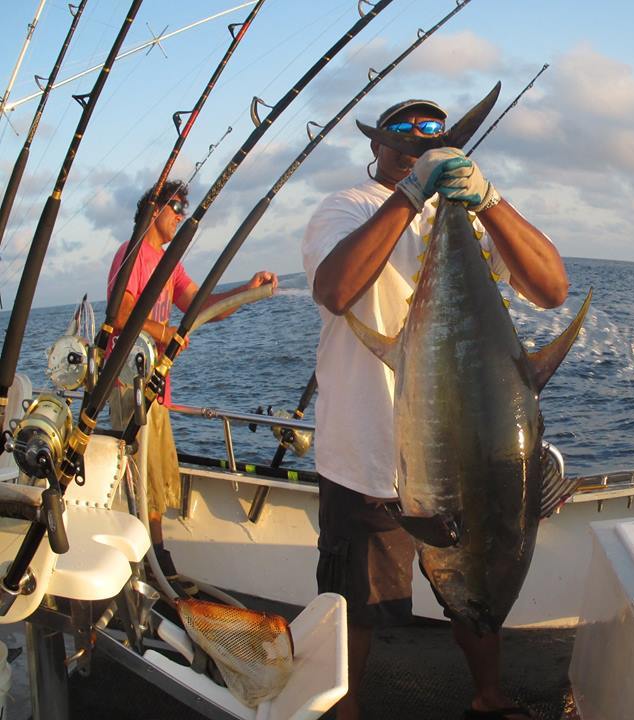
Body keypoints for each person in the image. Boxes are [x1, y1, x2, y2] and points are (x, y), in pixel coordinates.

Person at [302, 99, 568, 720]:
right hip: (367, 457)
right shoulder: (346, 208)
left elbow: (552, 289)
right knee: (355, 605)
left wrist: (489, 200)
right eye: (403, 134)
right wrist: (411, 195)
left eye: (432, 136)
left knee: (477, 587)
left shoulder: (472, 223)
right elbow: (335, 290)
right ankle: (346, 712)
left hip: (466, 458)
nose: (418, 144)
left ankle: (489, 697)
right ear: (375, 145)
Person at [107, 180, 277, 588]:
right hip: (129, 384)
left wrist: (246, 292)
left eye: (185, 207)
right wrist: (164, 332)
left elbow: (200, 306)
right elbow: (119, 314)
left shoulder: (169, 263)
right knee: (145, 479)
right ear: (154, 209)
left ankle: (156, 559)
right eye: (176, 206)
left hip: (155, 387)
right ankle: (154, 565)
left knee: (159, 476)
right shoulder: (131, 255)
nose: (182, 214)